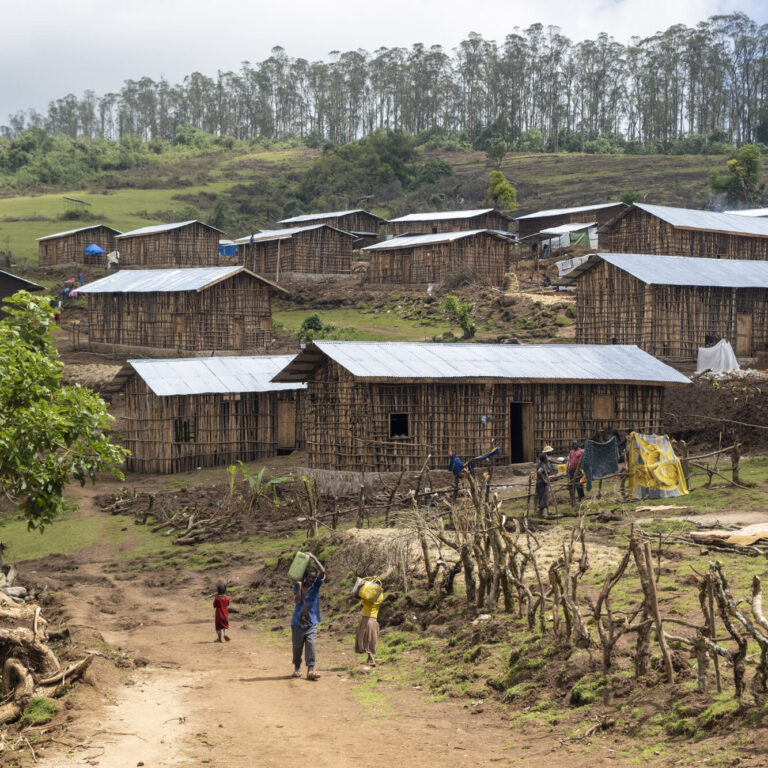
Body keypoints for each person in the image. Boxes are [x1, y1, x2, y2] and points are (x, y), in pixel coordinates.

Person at [291, 553, 326, 681]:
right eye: (310, 577)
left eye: (313, 578)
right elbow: (297, 601)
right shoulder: (298, 586)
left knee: (311, 645)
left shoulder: (316, 586)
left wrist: (314, 557)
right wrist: (299, 586)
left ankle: (310, 670)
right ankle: (297, 668)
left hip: (311, 622)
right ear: (305, 576)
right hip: (297, 623)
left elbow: (323, 571)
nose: (312, 580)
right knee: (297, 648)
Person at [355, 584, 384, 667]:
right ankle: (368, 659)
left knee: (365, 640)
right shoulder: (380, 596)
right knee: (370, 640)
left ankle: (371, 659)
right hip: (374, 620)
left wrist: (358, 587)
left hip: (367, 620)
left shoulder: (368, 598)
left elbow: (356, 595)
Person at [535, 452, 550, 518]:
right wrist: (544, 480)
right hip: (542, 483)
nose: (547, 458)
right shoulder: (543, 465)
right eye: (546, 457)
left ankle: (540, 512)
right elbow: (539, 471)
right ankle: (545, 513)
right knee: (545, 497)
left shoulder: (539, 464)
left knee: (541, 497)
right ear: (544, 459)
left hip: (538, 483)